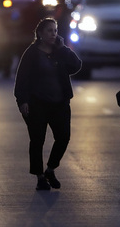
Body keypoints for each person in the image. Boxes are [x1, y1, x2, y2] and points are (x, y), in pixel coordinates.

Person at [14, 17, 82, 190]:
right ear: (40, 33)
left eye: (55, 30)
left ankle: (51, 169)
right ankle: (40, 177)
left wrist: (63, 48)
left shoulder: (59, 51)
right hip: (37, 104)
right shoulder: (32, 53)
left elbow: (76, 66)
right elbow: (21, 79)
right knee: (37, 140)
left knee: (63, 137)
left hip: (59, 103)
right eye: (50, 31)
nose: (53, 34)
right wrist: (22, 101)